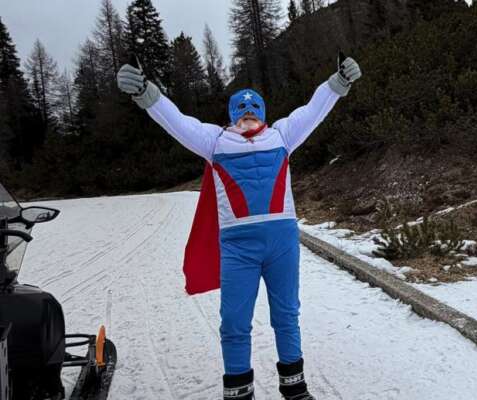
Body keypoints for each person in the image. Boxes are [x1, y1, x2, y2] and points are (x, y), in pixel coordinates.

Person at [117, 53, 361, 400]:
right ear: (232, 113)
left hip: (282, 244)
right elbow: (177, 121)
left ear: (263, 112)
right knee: (234, 321)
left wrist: (338, 82)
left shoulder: (283, 135)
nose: (248, 111)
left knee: (286, 315)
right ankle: (239, 392)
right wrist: (146, 92)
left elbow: (312, 111)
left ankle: (295, 389)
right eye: (241, 107)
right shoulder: (214, 141)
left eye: (254, 107)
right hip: (238, 247)